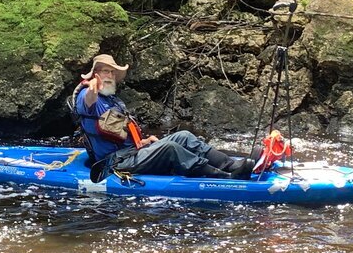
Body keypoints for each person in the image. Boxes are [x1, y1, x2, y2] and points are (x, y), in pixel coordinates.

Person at [75, 54, 256, 179]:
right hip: (115, 163)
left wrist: (143, 143)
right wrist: (92, 87)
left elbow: (123, 133)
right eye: (106, 71)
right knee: (170, 148)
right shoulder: (87, 96)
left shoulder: (115, 101)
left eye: (112, 72)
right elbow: (89, 101)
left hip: (132, 153)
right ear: (96, 74)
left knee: (183, 136)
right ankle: (225, 177)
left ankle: (231, 165)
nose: (110, 76)